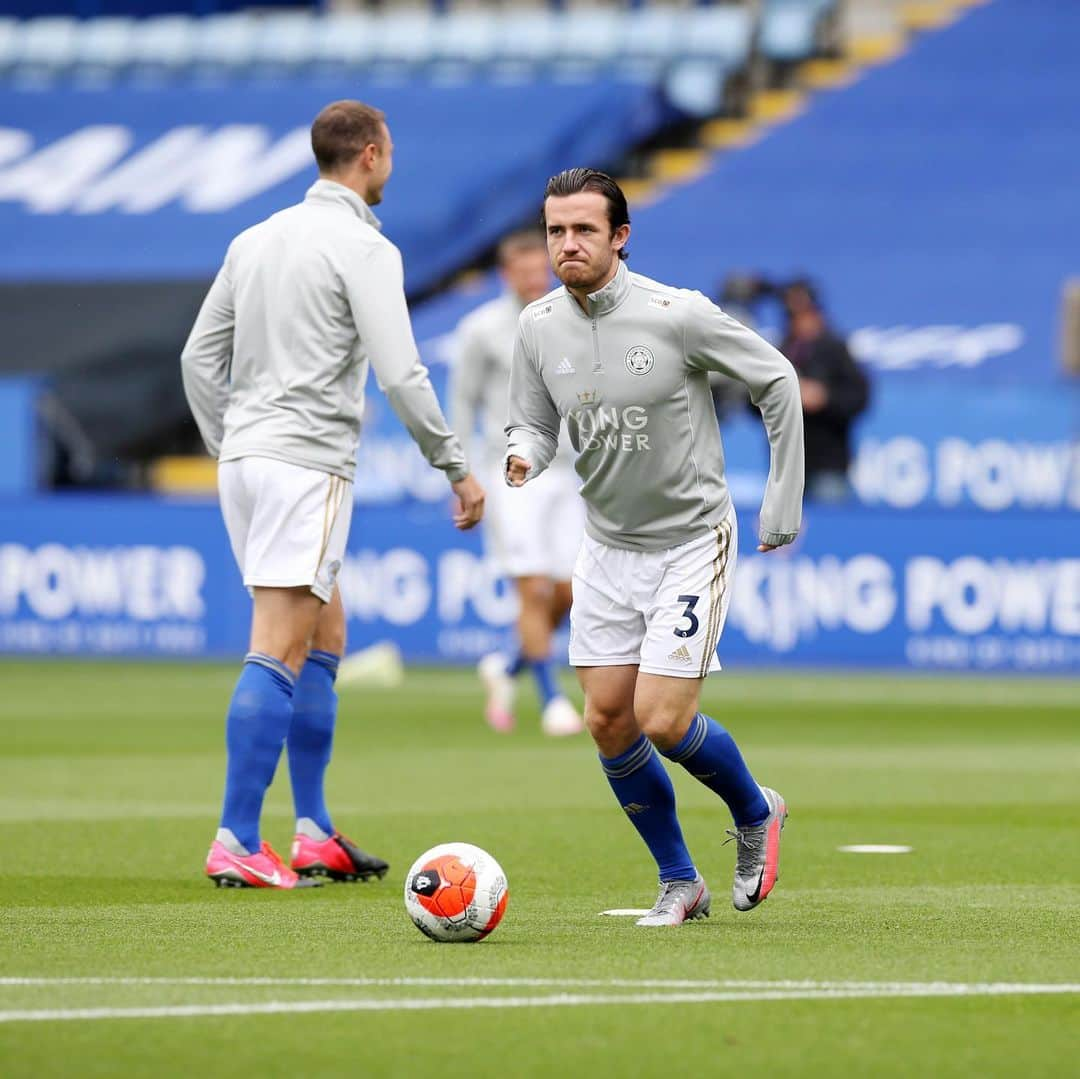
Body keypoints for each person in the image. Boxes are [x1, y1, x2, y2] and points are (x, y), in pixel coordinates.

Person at [181, 100, 484, 890]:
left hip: (246, 459)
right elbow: (401, 371)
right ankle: (237, 837)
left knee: (324, 630)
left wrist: (230, 443)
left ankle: (312, 828)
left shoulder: (254, 238)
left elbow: (196, 358)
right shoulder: (363, 246)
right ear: (373, 155)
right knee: (279, 642)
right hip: (304, 462)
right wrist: (453, 464)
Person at [505, 169, 803, 926]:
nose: (567, 244)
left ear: (620, 237)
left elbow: (777, 378)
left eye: (583, 230)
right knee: (608, 718)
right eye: (556, 231)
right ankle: (680, 879)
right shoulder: (538, 326)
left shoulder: (678, 315)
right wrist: (523, 454)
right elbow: (535, 422)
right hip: (606, 544)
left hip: (690, 538)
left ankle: (753, 809)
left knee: (663, 717)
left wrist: (781, 496)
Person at [449, 231, 584, 737]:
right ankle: (552, 700)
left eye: (539, 270)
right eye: (524, 272)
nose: (533, 279)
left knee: (572, 591)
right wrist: (457, 472)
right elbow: (462, 403)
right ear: (506, 274)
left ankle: (507, 666)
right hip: (513, 472)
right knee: (531, 587)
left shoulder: (571, 318)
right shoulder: (481, 330)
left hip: (568, 470)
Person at [779, 280, 870, 501]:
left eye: (804, 312)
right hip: (786, 468)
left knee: (831, 527)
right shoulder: (781, 351)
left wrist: (824, 398)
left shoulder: (835, 349)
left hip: (829, 464)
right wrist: (784, 396)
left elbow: (859, 397)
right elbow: (751, 401)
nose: (799, 320)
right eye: (792, 314)